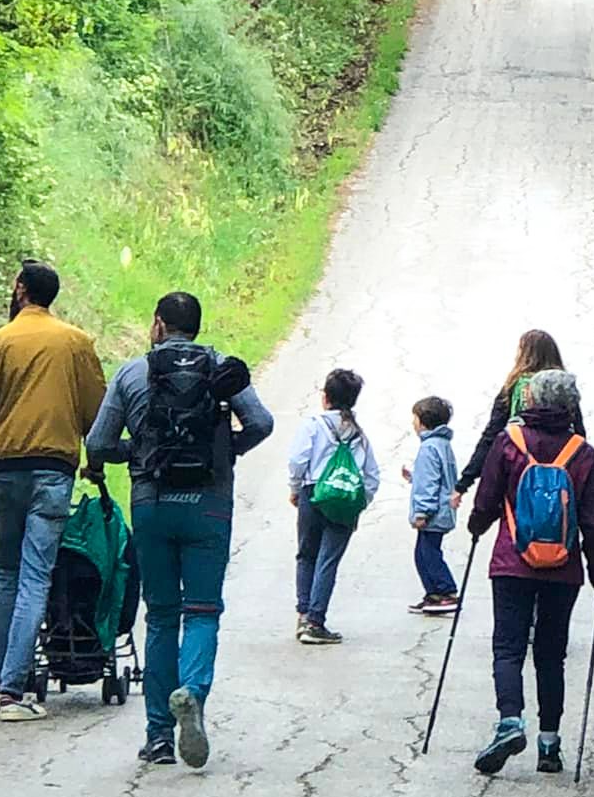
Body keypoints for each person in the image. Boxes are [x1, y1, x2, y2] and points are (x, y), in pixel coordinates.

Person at [84, 292, 275, 767]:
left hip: (152, 503)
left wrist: (139, 453)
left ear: (158, 325)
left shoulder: (133, 372)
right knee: (204, 611)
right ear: (196, 326)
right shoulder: (220, 367)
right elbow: (262, 422)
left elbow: (99, 442)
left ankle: (159, 737)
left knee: (163, 616)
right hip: (208, 503)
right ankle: (190, 691)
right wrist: (226, 448)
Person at [0, 259, 106, 722]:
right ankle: (14, 692)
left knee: (5, 571)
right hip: (53, 468)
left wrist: (1, 441)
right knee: (35, 575)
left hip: (5, 465)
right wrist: (93, 456)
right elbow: (94, 411)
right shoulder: (76, 343)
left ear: (21, 289)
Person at [467, 369, 594, 777]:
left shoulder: (508, 443)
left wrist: (476, 527)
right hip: (563, 570)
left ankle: (510, 722)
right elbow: (592, 522)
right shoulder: (582, 453)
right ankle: (550, 744)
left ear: (529, 401)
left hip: (512, 563)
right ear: (571, 405)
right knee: (551, 655)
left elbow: (487, 501)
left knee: (508, 648)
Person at [287, 368, 380, 645]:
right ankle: (317, 620)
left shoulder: (313, 424)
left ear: (325, 397)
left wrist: (295, 489)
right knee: (328, 559)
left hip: (313, 491)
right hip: (344, 500)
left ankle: (304, 614)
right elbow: (372, 474)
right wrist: (360, 502)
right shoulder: (358, 433)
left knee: (306, 555)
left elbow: (297, 460)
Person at [452, 329, 585, 509]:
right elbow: (580, 435)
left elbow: (490, 437)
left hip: (520, 470)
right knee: (559, 522)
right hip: (561, 474)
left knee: (516, 523)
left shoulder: (512, 388)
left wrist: (464, 483)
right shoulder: (563, 390)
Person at [406, 395, 461, 614]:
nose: (413, 423)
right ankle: (433, 593)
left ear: (423, 422)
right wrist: (413, 476)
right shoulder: (443, 445)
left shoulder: (429, 447)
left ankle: (445, 591)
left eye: (415, 418)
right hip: (443, 509)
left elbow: (429, 482)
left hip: (433, 513)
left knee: (427, 554)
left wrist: (422, 511)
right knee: (424, 552)